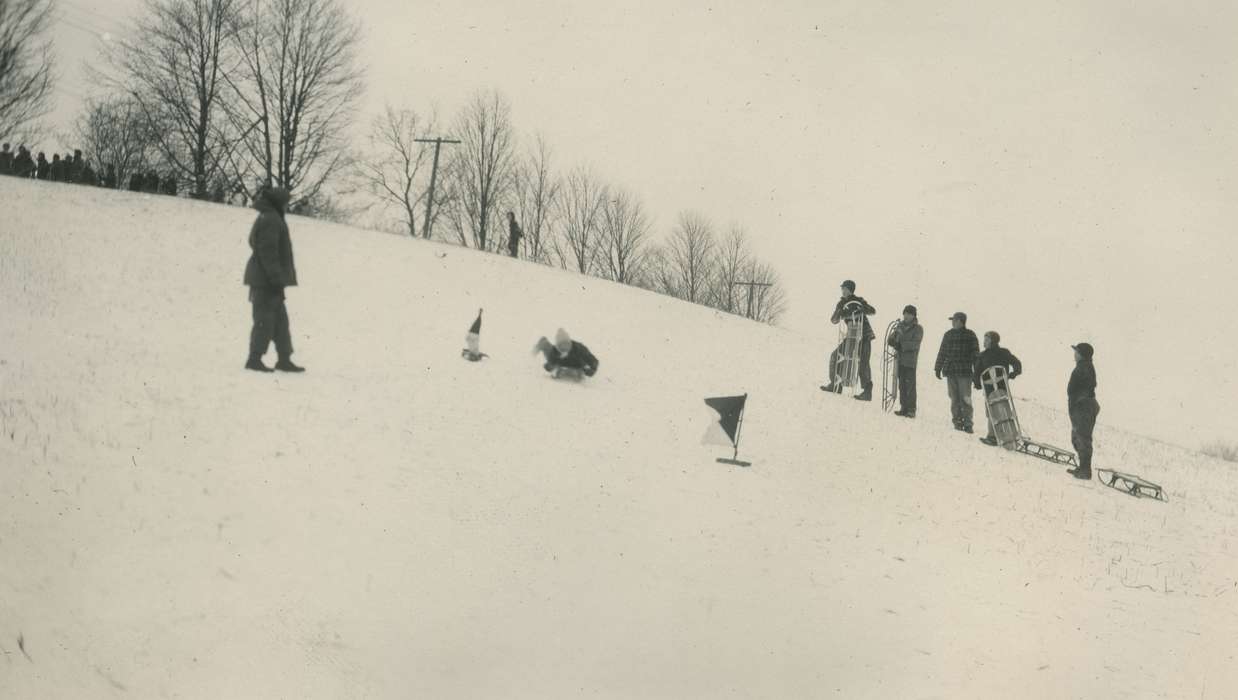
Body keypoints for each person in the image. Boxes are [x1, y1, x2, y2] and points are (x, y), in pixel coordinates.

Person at [243, 186, 303, 373]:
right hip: (266, 282)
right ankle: (254, 359)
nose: (287, 205)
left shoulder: (270, 217)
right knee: (264, 321)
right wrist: (276, 279)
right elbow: (267, 253)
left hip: (268, 280)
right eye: (285, 202)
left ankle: (284, 359)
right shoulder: (271, 219)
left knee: (280, 321)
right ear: (278, 202)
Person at [820, 279, 877, 400]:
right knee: (836, 356)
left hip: (865, 335)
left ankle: (867, 391)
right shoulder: (841, 303)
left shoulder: (859, 301)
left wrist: (862, 310)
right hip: (851, 335)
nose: (843, 291)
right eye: (842, 289)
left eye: (845, 289)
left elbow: (872, 311)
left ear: (850, 290)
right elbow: (833, 320)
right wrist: (840, 312)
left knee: (863, 362)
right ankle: (836, 384)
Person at [973, 331, 1023, 446]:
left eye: (986, 340)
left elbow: (977, 373)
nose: (984, 342)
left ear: (992, 341)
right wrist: (1014, 373)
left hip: (990, 389)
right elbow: (1017, 363)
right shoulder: (1004, 353)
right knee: (1004, 409)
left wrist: (977, 384)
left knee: (991, 410)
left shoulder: (983, 355)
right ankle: (1008, 434)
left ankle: (993, 436)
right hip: (1002, 387)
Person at [934, 311, 980, 433]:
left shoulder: (971, 335)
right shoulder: (948, 335)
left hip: (965, 373)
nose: (952, 323)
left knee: (966, 399)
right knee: (954, 398)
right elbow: (942, 352)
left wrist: (977, 373)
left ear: (960, 321)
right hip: (950, 371)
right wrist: (937, 368)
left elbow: (976, 355)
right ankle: (957, 422)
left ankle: (968, 424)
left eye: (954, 320)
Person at [1066, 342, 1099, 480]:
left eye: (1077, 352)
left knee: (1082, 438)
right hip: (1082, 406)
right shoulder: (1084, 366)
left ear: (1081, 355)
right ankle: (1082, 467)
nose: (1074, 354)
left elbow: (1086, 387)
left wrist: (1079, 400)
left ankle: (1085, 471)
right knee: (1077, 438)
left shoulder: (1084, 367)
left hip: (1083, 406)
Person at [886, 304, 924, 417]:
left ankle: (911, 409)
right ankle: (904, 407)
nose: (906, 316)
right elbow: (891, 338)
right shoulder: (900, 326)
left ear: (914, 316)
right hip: (899, 359)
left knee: (910, 385)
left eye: (909, 314)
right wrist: (892, 340)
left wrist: (901, 344)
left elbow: (915, 344)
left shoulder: (918, 329)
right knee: (901, 384)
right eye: (905, 313)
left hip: (910, 361)